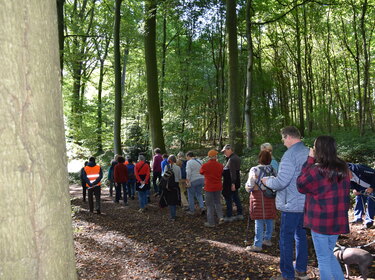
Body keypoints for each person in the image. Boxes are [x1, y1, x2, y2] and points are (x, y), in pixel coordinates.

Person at [297, 136, 350, 280]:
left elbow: (300, 185)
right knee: (327, 254)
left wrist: (309, 160)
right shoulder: (343, 168)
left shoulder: (316, 170)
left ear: (319, 149)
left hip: (320, 221)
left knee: (323, 258)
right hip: (336, 220)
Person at [261, 126, 309, 280]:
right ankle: (301, 270)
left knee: (286, 239)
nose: (282, 142)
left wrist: (267, 181)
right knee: (301, 236)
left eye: (283, 138)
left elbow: (281, 182)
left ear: (288, 137)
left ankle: (287, 275)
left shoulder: (290, 155)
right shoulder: (310, 152)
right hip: (306, 203)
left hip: (291, 204)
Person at [245, 150, 277, 252]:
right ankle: (267, 239)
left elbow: (250, 184)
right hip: (270, 196)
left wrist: (248, 188)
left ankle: (257, 244)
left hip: (258, 196)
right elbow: (277, 182)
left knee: (259, 219)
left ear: (260, 158)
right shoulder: (272, 169)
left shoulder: (255, 169)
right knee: (269, 218)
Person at [200, 149, 224, 227]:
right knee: (217, 202)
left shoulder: (205, 165)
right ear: (215, 156)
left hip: (209, 187)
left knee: (209, 205)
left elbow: (201, 172)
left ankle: (211, 222)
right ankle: (220, 217)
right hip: (218, 186)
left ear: (209, 157)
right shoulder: (220, 165)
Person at [347, 163, 375, 229]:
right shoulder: (344, 174)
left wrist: (372, 187)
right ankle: (358, 219)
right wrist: (355, 189)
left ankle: (369, 222)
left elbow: (374, 174)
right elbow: (352, 182)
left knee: (371, 201)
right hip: (363, 186)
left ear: (348, 170)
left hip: (372, 184)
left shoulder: (359, 169)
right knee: (359, 197)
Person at [221, 144, 243, 221]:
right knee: (235, 197)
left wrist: (233, 183)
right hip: (233, 181)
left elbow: (232, 172)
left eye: (225, 151)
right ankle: (240, 213)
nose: (224, 153)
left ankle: (229, 215)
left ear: (229, 149)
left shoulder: (232, 159)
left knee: (228, 198)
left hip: (230, 182)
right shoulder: (234, 158)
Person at [163, 155, 181, 221]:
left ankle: (172, 216)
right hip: (176, 185)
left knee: (170, 201)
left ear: (169, 160)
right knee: (174, 200)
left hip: (168, 186)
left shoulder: (166, 167)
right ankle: (174, 214)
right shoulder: (178, 168)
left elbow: (164, 176)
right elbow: (179, 177)